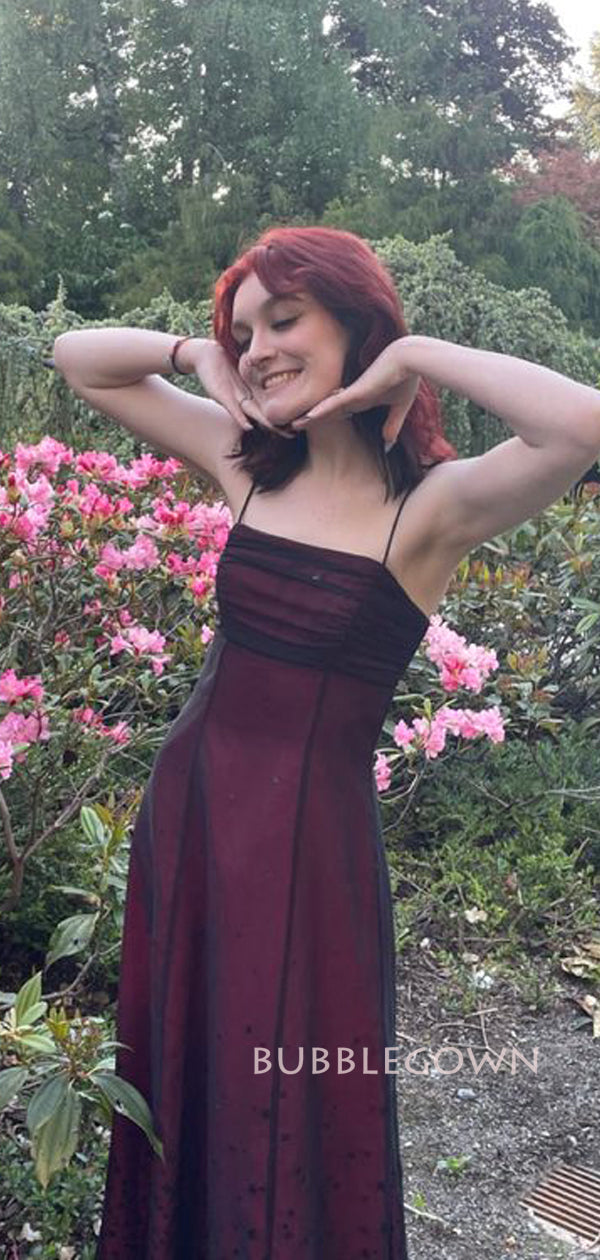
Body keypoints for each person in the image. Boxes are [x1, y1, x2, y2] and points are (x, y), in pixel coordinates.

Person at [52, 226, 600, 1258]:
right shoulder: (248, 465)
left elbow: (581, 423)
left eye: (285, 320)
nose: (259, 348)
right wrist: (198, 355)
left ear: (355, 320)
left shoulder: (430, 510)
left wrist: (415, 354)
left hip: (311, 852)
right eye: (244, 331)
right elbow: (76, 358)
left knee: (289, 1086)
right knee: (189, 1071)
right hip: (193, 818)